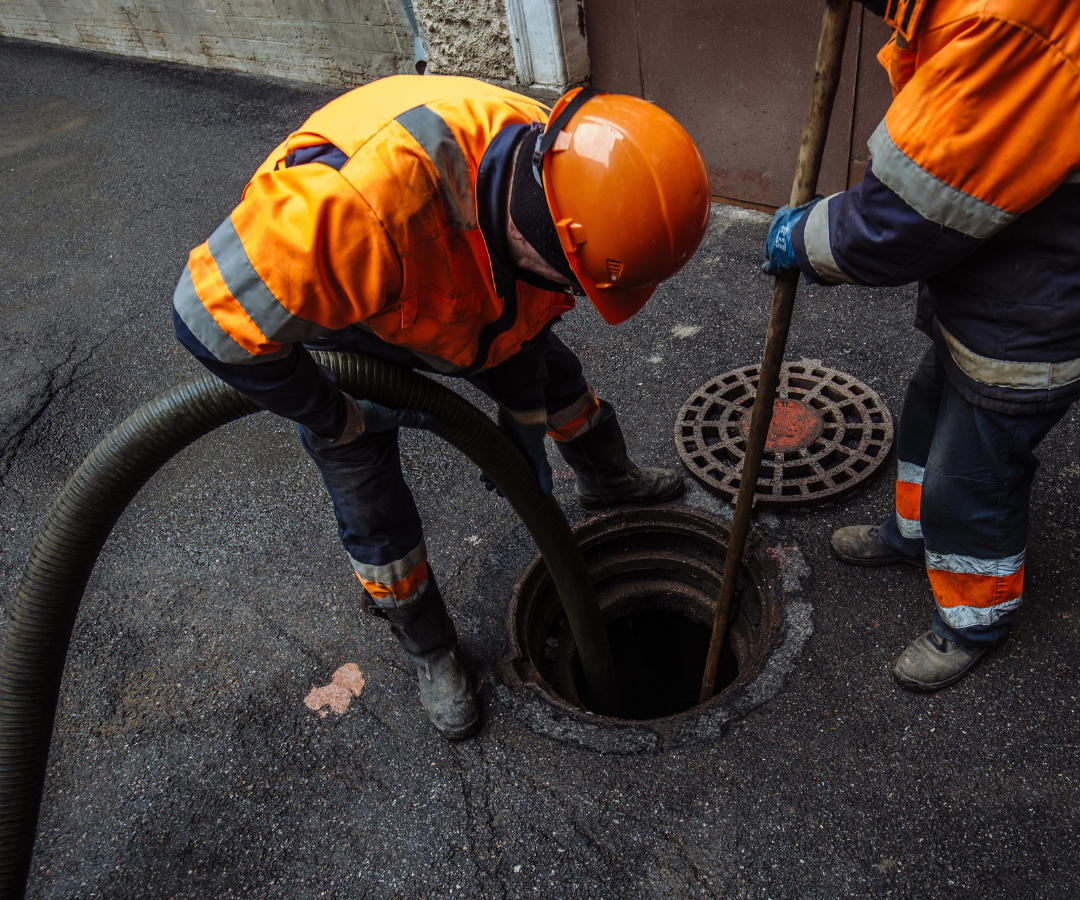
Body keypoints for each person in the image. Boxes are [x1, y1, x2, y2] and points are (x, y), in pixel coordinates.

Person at [173, 76, 711, 738]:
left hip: (471, 291)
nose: (581, 294)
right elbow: (203, 318)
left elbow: (530, 325)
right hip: (362, 317)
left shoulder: (574, 169)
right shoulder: (349, 209)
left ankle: (607, 477)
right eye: (580, 280)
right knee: (368, 494)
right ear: (547, 236)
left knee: (554, 380)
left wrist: (523, 428)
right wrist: (332, 412)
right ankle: (430, 649)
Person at [763, 0, 1080, 691]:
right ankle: (912, 534)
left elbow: (905, 215)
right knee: (930, 398)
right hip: (1020, 243)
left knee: (973, 473)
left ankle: (974, 618)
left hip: (1067, 280)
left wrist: (807, 238)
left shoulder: (1022, 19)